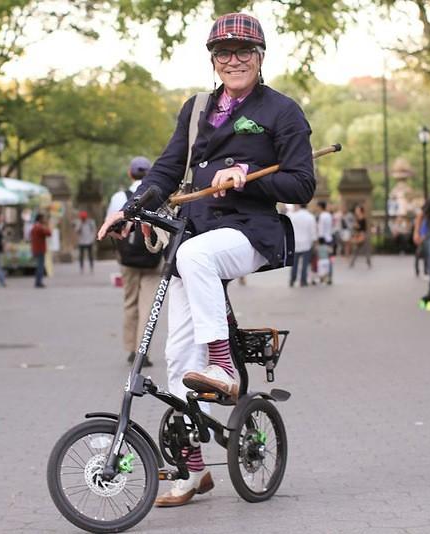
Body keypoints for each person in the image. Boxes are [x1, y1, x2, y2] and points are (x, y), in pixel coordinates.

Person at [97, 12, 314, 507]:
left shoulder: (282, 111)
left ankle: (224, 367)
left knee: (195, 256)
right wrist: (131, 208)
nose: (233, 60)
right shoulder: (196, 108)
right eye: (223, 53)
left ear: (260, 56)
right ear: (213, 60)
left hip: (250, 233)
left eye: (243, 51)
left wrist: (248, 173)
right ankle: (193, 471)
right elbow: (167, 169)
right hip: (194, 235)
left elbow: (302, 183)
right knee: (178, 358)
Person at [106, 156, 162, 367]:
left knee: (130, 302)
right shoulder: (158, 195)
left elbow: (111, 225)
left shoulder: (119, 197)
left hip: (127, 258)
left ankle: (130, 349)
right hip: (152, 255)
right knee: (148, 305)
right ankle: (142, 352)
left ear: (130, 173)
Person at [287, 203, 316, 287]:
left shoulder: (294, 216)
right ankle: (303, 281)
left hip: (295, 243)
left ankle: (292, 280)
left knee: (294, 263)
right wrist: (314, 243)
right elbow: (313, 232)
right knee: (305, 264)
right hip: (307, 243)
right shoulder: (310, 217)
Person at [30, 213, 51, 288]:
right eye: (43, 218)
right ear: (40, 219)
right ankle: (39, 282)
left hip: (36, 249)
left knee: (38, 266)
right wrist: (47, 225)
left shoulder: (34, 227)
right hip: (40, 249)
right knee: (40, 266)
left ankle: (37, 281)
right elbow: (49, 233)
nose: (44, 220)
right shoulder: (39, 227)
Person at [349, 204, 371, 268]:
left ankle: (368, 261)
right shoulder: (357, 218)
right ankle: (352, 262)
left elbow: (362, 227)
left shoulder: (363, 217)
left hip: (363, 235)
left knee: (366, 249)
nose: (356, 210)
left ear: (360, 210)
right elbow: (356, 227)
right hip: (359, 235)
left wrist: (356, 225)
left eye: (357, 209)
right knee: (357, 249)